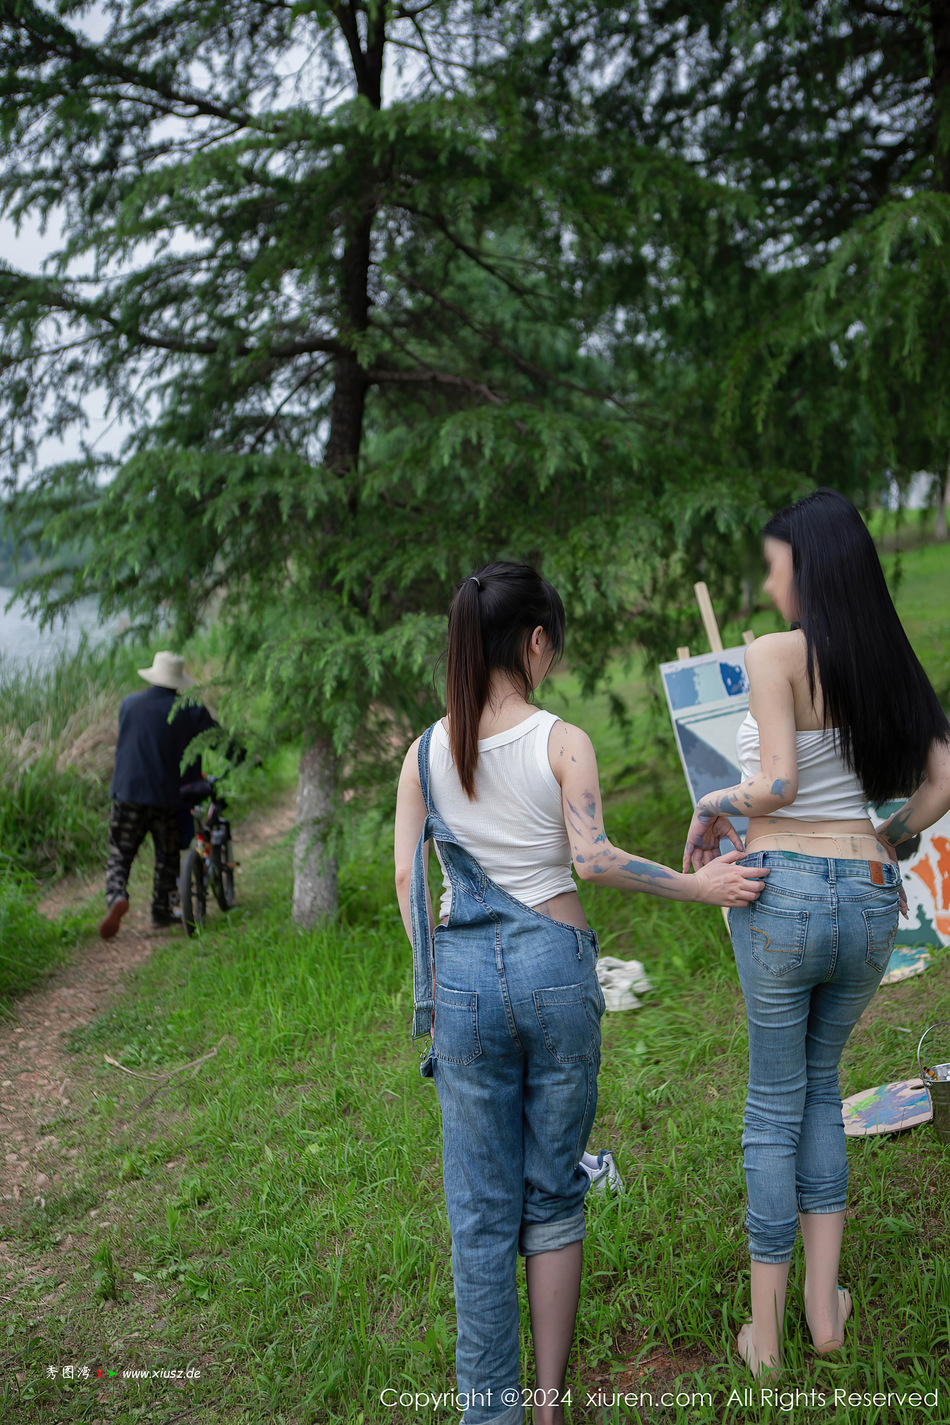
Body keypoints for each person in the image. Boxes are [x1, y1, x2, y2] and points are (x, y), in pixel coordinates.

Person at [393, 562, 769, 1425]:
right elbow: (591, 859)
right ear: (534, 641)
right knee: (554, 1190)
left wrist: (445, 984)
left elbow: (411, 889)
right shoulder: (562, 741)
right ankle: (550, 1406)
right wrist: (698, 883)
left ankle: (490, 1412)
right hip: (556, 973)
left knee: (480, 1215)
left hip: (463, 983)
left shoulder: (423, 754)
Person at [681, 488, 950, 1376]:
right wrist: (890, 835)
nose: (768, 583)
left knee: (771, 1105)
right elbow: (945, 777)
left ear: (808, 565)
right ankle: (825, 1314)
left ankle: (765, 1337)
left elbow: (779, 785)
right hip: (869, 894)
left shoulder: (774, 653)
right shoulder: (888, 658)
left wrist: (711, 801)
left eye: (774, 565)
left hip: (783, 888)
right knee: (821, 1088)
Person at [99, 651, 220, 938]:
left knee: (120, 853)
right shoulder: (190, 709)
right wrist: (245, 756)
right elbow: (216, 739)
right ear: (178, 682)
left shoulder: (129, 704)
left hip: (127, 791)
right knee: (167, 855)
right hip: (165, 796)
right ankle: (161, 909)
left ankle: (116, 896)